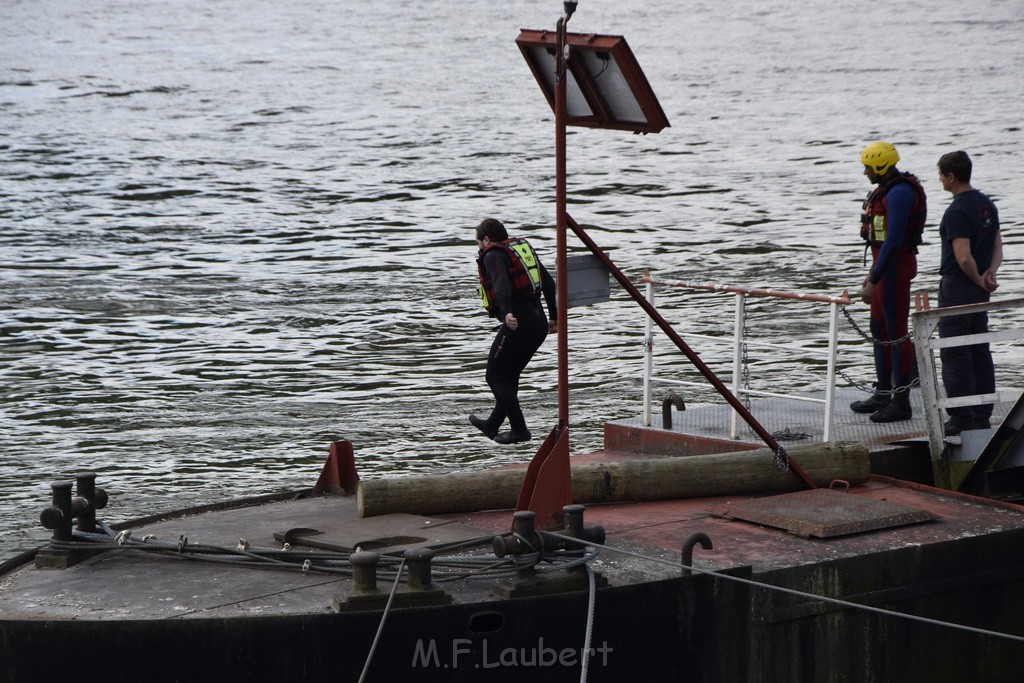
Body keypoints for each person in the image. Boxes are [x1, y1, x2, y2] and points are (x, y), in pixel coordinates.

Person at [850, 141, 927, 422]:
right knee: (878, 326)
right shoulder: (885, 190)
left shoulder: (900, 194)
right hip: (884, 266)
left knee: (895, 331)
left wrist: (874, 278)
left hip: (895, 268)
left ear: (881, 166)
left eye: (868, 168)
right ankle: (882, 392)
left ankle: (901, 402)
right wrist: (874, 273)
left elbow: (893, 241)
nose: (865, 173)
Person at [469, 218, 557, 444]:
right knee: (509, 376)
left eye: (478, 242)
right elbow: (548, 283)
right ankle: (492, 425)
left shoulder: (492, 254)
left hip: (518, 323)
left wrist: (507, 313)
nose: (479, 247)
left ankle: (519, 429)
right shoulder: (518, 251)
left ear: (486, 240)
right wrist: (554, 317)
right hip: (538, 323)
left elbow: (501, 283)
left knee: (494, 376)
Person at [936, 150, 1003, 436]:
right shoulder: (986, 204)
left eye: (940, 174)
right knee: (979, 348)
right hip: (980, 286)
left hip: (960, 285)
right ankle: (982, 413)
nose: (939, 179)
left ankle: (961, 415)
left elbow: (962, 257)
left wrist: (976, 277)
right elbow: (998, 245)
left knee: (955, 351)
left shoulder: (958, 210)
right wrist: (991, 274)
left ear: (951, 176)